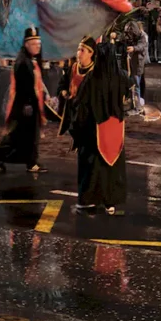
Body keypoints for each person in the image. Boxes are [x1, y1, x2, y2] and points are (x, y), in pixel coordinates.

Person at [58, 38, 128, 213]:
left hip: (93, 132)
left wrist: (75, 129)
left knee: (92, 168)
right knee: (111, 168)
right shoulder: (121, 78)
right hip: (115, 132)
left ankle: (88, 201)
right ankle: (110, 202)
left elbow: (81, 105)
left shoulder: (92, 78)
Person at [0, 27, 49, 173]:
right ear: (27, 45)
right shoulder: (23, 62)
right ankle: (2, 156)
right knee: (22, 137)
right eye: (35, 43)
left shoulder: (30, 61)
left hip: (30, 104)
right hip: (25, 105)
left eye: (39, 43)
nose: (38, 46)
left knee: (25, 137)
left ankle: (25, 160)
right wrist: (28, 104)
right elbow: (24, 87)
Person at [122, 20, 148, 111]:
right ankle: (134, 104)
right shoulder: (134, 36)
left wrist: (133, 48)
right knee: (133, 84)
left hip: (139, 63)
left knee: (136, 85)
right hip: (133, 62)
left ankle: (137, 107)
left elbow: (141, 46)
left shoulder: (143, 36)